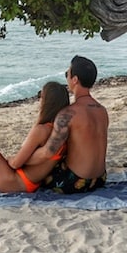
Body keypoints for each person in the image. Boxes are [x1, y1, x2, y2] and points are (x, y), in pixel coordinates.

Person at [29, 55, 109, 194]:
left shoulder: (68, 114)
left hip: (75, 181)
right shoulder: (102, 111)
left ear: (75, 80)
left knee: (35, 170)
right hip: (100, 179)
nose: (66, 77)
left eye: (67, 74)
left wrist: (21, 160)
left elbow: (48, 152)